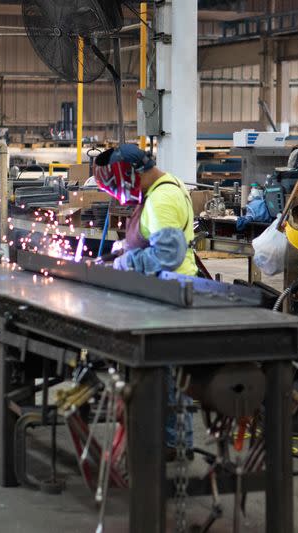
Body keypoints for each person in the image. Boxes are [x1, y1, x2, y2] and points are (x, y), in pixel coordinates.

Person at [93, 143, 195, 459]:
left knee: (166, 375)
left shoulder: (162, 199)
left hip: (168, 296)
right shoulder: (163, 187)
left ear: (129, 176)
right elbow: (155, 238)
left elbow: (167, 254)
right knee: (164, 373)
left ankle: (173, 445)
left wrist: (127, 263)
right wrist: (125, 248)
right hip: (162, 294)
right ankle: (171, 440)